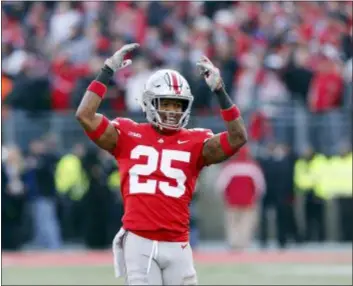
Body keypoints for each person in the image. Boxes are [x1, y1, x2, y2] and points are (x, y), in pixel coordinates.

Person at [75, 43, 247, 285]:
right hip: (140, 241)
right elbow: (84, 115)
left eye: (177, 105)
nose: (172, 111)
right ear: (149, 102)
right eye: (165, 103)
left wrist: (220, 91)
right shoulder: (127, 134)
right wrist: (106, 72)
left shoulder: (195, 140)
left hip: (178, 242)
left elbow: (239, 137)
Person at [216, 146, 266, 251]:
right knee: (246, 223)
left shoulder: (229, 167)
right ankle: (243, 243)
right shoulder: (253, 167)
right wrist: (256, 198)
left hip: (232, 201)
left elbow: (220, 185)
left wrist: (224, 198)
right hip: (248, 201)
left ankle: (233, 243)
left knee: (232, 223)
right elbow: (260, 186)